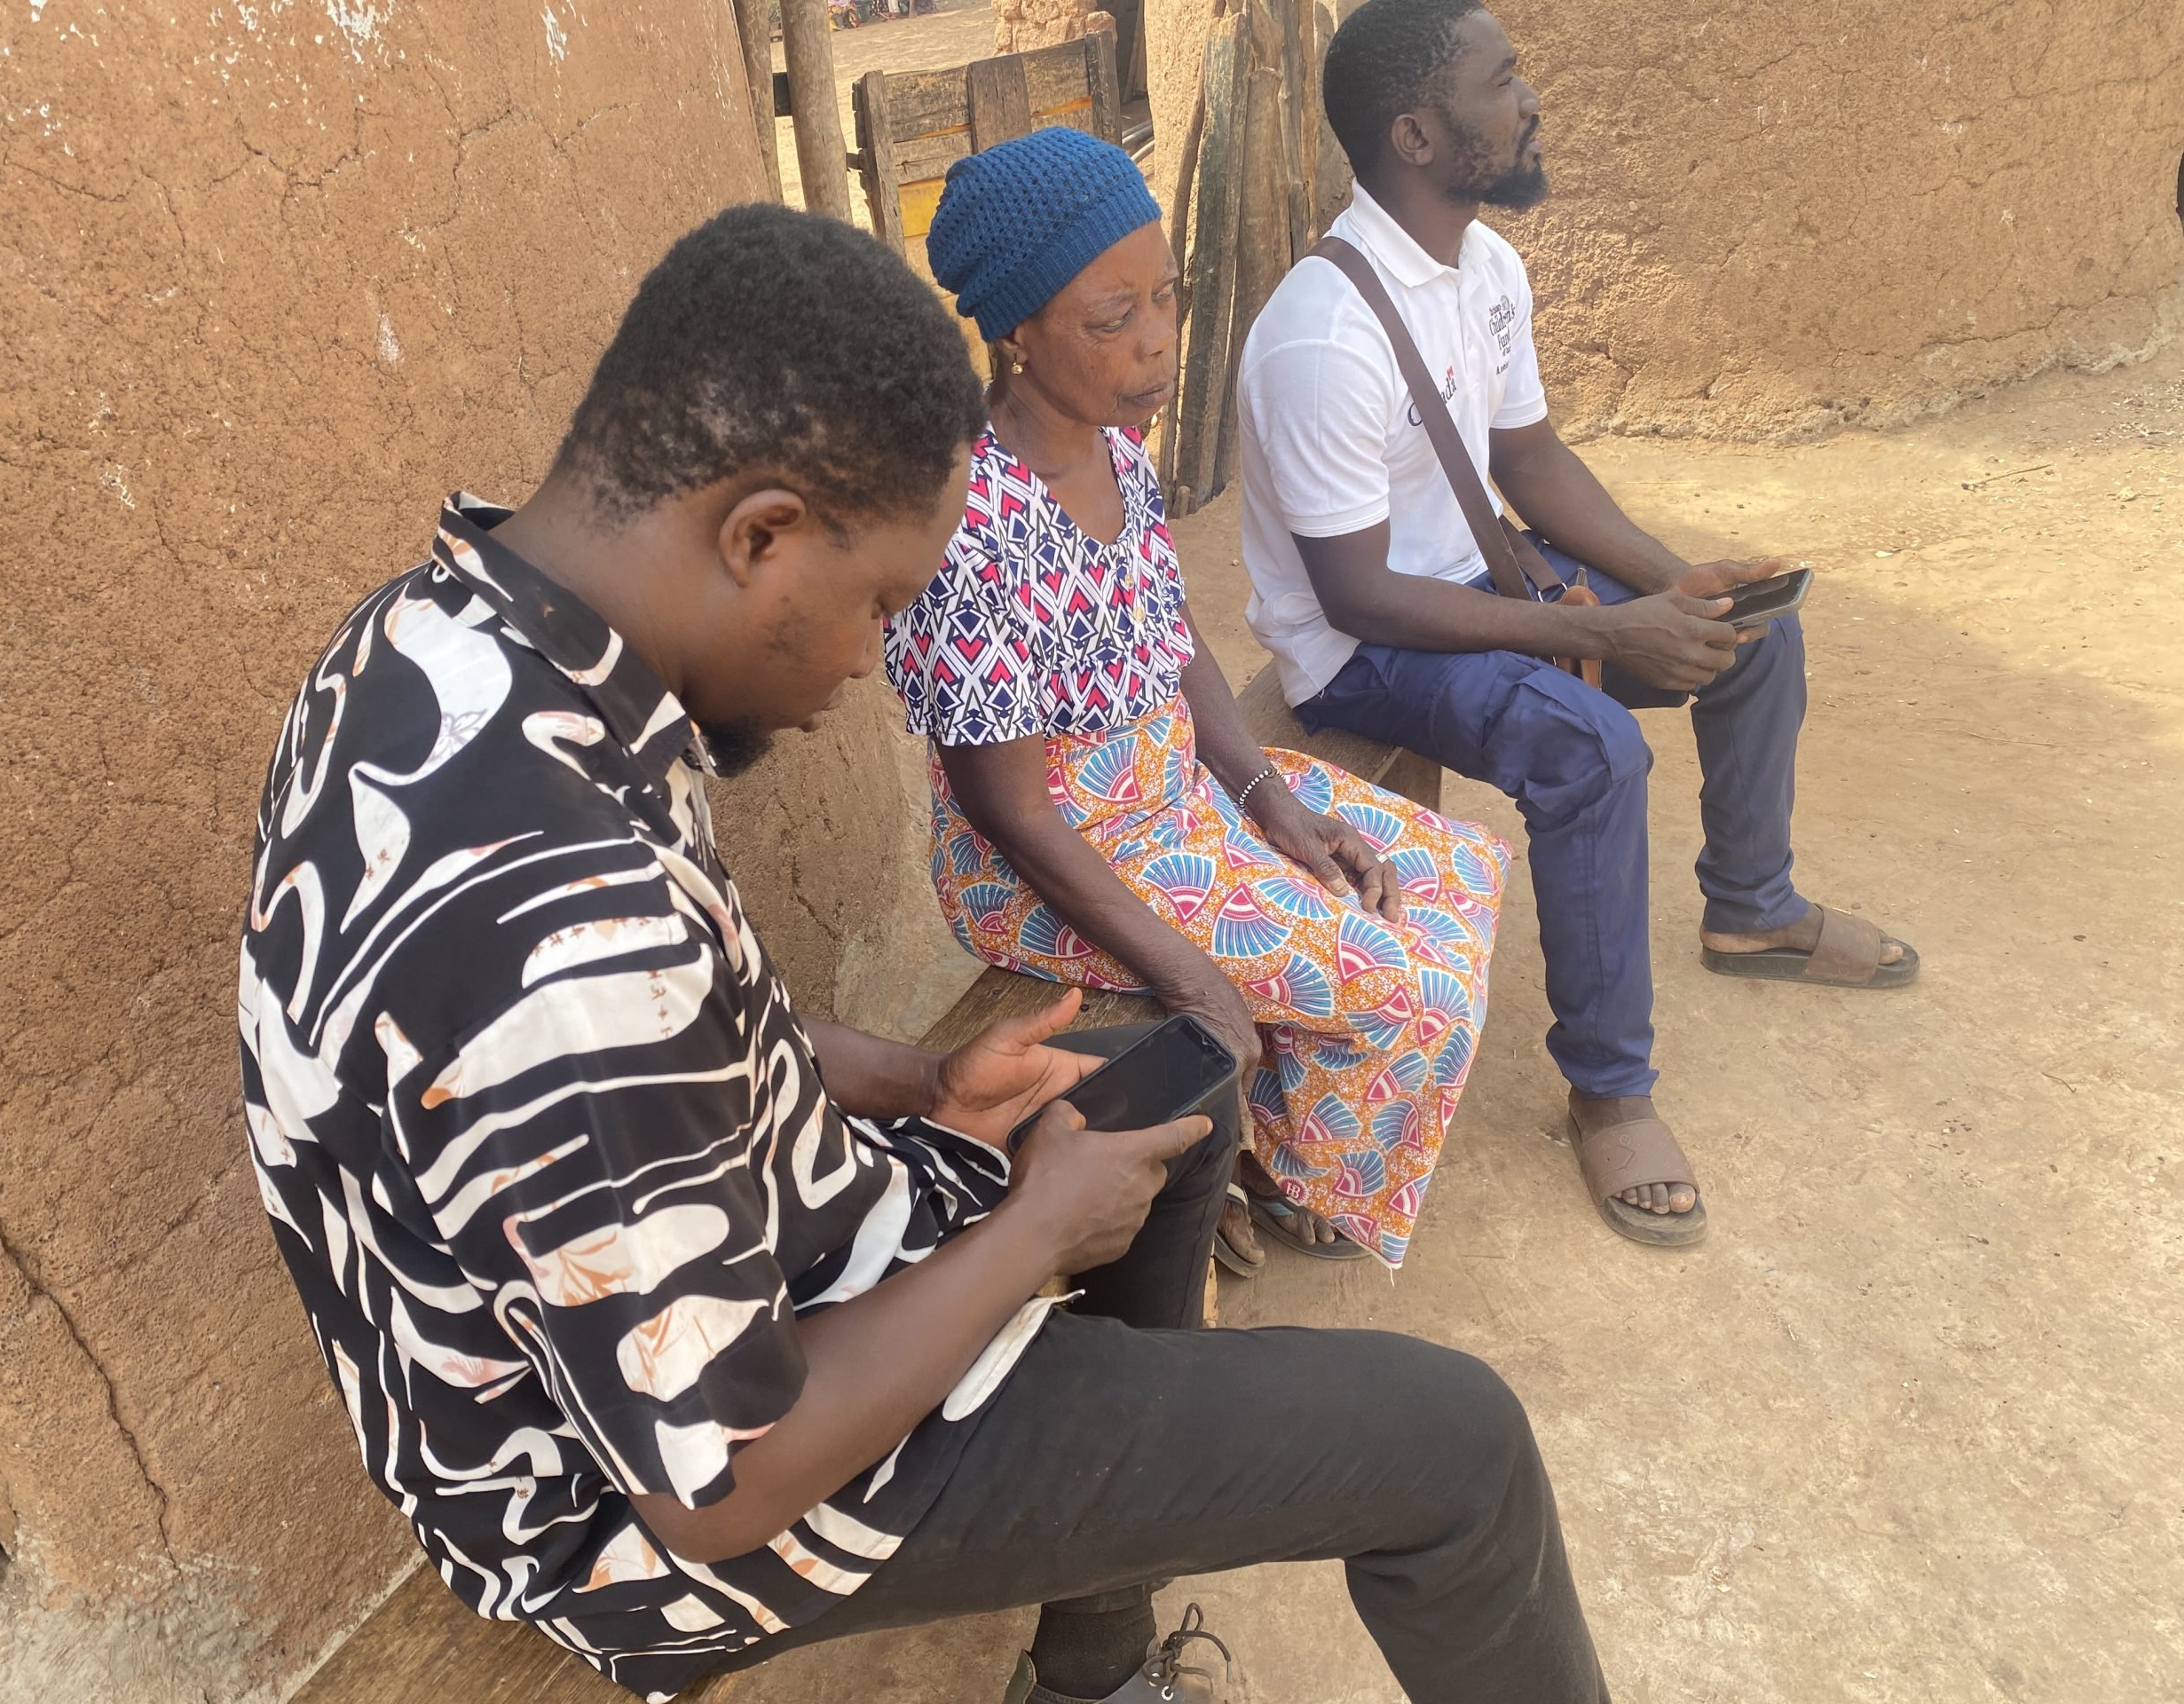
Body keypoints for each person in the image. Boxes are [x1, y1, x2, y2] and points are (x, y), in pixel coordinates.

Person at [238, 204, 1607, 1704]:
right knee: (1457, 1446)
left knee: (1176, 1087)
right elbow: (718, 1481)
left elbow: (670, 1030)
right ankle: (1084, 1508)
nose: (869, 664)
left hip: (748, 1246)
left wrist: (920, 1082)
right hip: (654, 1505)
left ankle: (1095, 1656)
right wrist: (1028, 1239)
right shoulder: (562, 924)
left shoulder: (445, 644)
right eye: (881, 604)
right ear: (760, 536)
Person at [1238, 0, 1920, 1248]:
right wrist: (1607, 637)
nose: (1530, 99)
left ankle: (1752, 908)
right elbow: (1358, 596)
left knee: (1751, 634)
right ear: (1417, 135)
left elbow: (1533, 462)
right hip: (1366, 648)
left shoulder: (1486, 268)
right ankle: (1609, 1092)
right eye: (1501, 81)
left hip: (1479, 578)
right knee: (1593, 750)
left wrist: (1675, 586)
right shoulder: (1321, 337)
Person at [887, 127, 1510, 1273]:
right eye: (1110, 318)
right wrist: (1190, 974)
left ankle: (1261, 1134)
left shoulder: (1117, 452)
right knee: (1408, 990)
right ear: (1017, 332)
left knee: (1440, 873)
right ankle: (1270, 1165)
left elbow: (1173, 645)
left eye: (1166, 297)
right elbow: (1009, 811)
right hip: (1051, 864)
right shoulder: (968, 529)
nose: (1158, 340)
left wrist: (1270, 799)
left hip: (1174, 803)